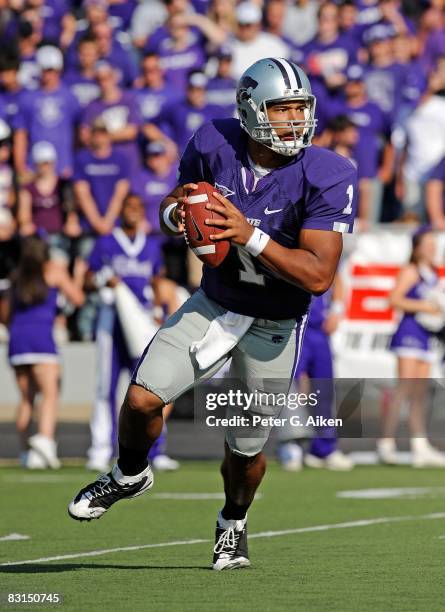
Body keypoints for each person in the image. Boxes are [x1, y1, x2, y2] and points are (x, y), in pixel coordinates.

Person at [68, 57, 357, 571]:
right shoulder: (212, 141)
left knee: (245, 451)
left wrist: (249, 233)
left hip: (275, 322)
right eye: (280, 109)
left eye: (299, 109)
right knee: (139, 401)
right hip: (215, 304)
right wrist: (172, 214)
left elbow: (317, 275)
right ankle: (131, 473)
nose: (293, 121)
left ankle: (232, 522)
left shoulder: (328, 172)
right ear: (249, 111)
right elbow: (177, 201)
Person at [84, 193, 179, 472]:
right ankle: (100, 448)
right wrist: (103, 279)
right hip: (111, 322)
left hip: (141, 322)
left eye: (138, 207)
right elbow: (88, 279)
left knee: (150, 387)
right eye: (129, 207)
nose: (133, 212)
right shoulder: (106, 242)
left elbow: (157, 280)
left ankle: (155, 448)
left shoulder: (150, 245)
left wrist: (162, 308)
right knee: (106, 387)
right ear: (121, 210)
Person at [4, 236, 84, 469]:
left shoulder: (15, 277)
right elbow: (77, 299)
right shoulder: (54, 272)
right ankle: (45, 441)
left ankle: (26, 454)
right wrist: (77, 274)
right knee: (50, 394)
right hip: (42, 340)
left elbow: (6, 315)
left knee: (26, 400)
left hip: (17, 341)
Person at [377, 226, 445, 467]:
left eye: (434, 244)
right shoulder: (411, 270)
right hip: (409, 333)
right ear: (417, 248)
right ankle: (386, 442)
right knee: (404, 390)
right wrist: (425, 307)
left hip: (426, 336)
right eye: (427, 244)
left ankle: (420, 444)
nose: (432, 248)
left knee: (420, 394)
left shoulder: (433, 274)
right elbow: (394, 299)